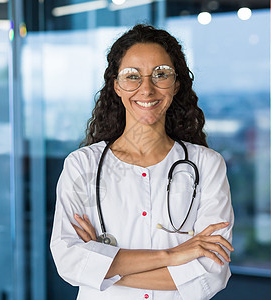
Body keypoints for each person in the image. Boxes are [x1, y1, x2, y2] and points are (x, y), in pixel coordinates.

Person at [50, 24, 234, 300]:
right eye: (132, 76)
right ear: (116, 86)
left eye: (161, 74)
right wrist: (173, 255)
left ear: (176, 84)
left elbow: (211, 272)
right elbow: (69, 262)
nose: (146, 89)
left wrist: (102, 265)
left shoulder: (207, 165)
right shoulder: (82, 166)